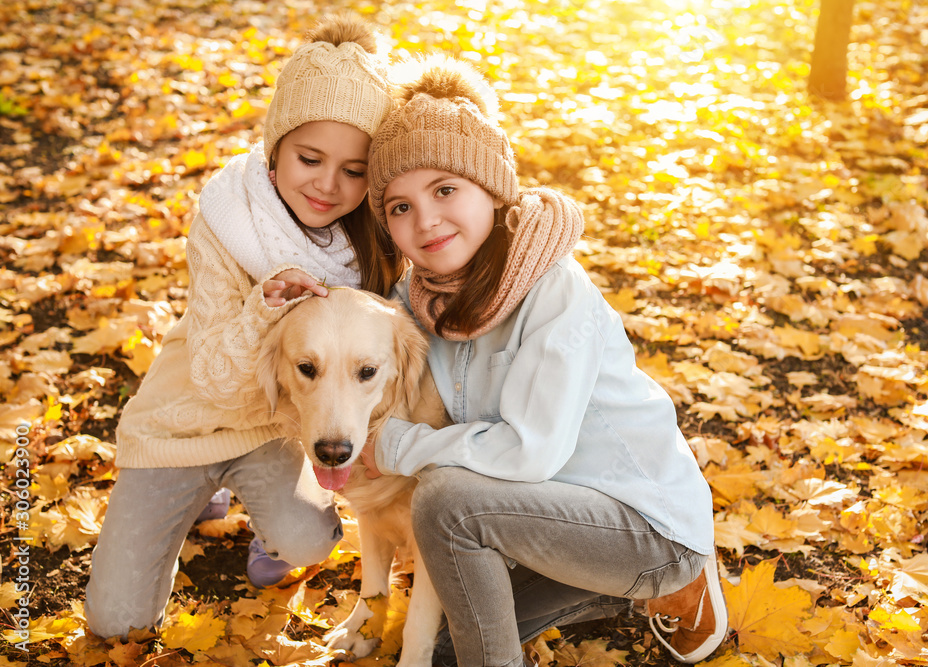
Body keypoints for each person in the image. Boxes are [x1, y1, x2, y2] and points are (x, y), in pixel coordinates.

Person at [361, 55, 728, 666]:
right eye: (399, 206)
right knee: (450, 649)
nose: (424, 220)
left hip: (641, 524)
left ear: (492, 188)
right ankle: (607, 593)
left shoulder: (555, 292)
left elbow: (530, 453)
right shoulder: (421, 299)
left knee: (447, 503)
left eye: (445, 189)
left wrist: (398, 447)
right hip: (546, 517)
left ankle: (679, 577)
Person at [85, 13, 403, 639]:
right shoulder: (228, 220)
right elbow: (211, 378)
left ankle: (266, 515)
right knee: (115, 622)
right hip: (189, 417)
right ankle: (199, 496)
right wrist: (263, 308)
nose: (328, 184)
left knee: (307, 541)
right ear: (274, 146)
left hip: (274, 429)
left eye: (354, 170)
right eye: (310, 158)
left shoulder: (370, 241)